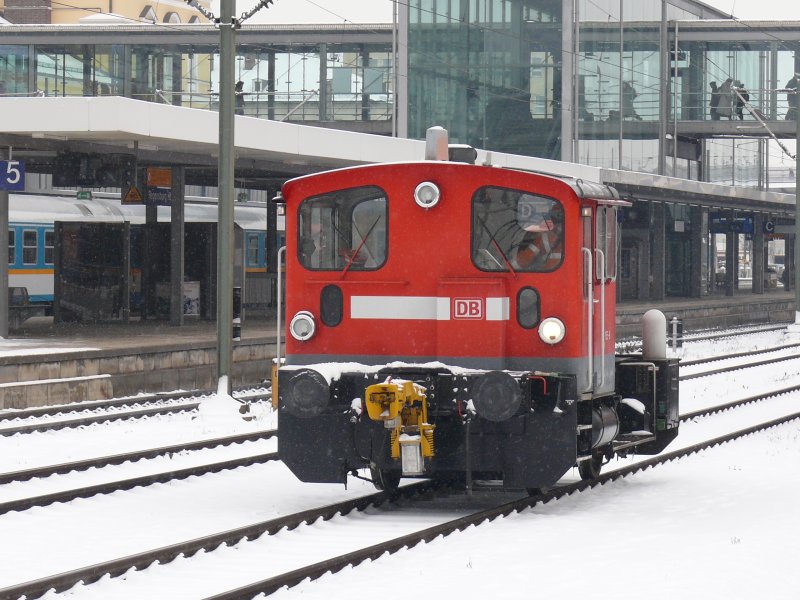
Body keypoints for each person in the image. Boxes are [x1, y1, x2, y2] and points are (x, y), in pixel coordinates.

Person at [512, 204, 564, 271]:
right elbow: (523, 259)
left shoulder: (545, 238)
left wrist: (508, 267)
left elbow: (522, 261)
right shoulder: (545, 238)